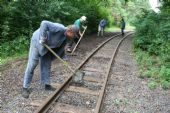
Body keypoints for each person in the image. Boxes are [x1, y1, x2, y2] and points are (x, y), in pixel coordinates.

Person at [22, 20, 79, 98]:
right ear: (70, 31)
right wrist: (43, 37)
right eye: (74, 35)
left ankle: (47, 85)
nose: (73, 37)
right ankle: (25, 87)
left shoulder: (66, 37)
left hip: (47, 47)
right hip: (37, 42)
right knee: (32, 64)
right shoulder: (60, 28)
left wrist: (63, 58)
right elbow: (44, 23)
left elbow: (61, 48)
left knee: (47, 65)